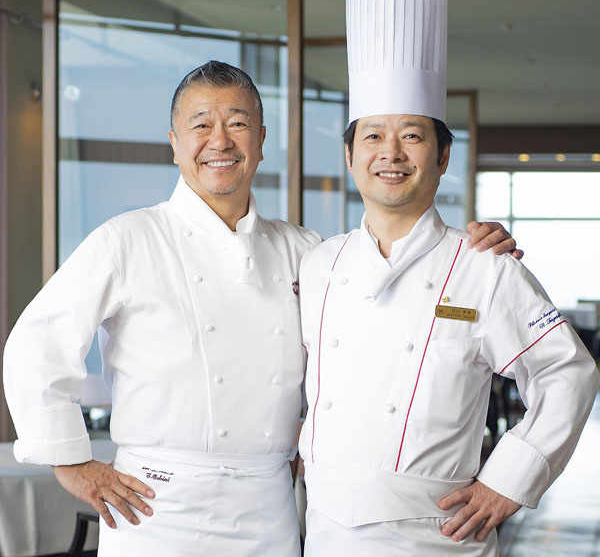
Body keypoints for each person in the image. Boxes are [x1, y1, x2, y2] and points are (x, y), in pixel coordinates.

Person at [3, 60, 518, 556]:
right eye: (201, 124)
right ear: (175, 145)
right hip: (156, 507)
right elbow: (36, 344)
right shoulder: (129, 238)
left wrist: (472, 252)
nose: (220, 141)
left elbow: (386, 325)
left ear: (262, 141)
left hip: (269, 507)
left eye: (238, 123)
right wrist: (70, 462)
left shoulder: (305, 251)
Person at [297, 0, 599, 557]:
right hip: (327, 533)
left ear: (441, 159)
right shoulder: (318, 265)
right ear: (351, 155)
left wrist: (508, 481)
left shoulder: (485, 265)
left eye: (411, 136)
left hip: (437, 538)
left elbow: (570, 373)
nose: (390, 153)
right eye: (374, 136)